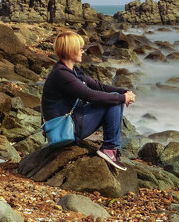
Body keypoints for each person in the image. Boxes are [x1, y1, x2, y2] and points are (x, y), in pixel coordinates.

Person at [41, 31, 135, 170]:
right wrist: (121, 98)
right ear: (70, 49)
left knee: (114, 97)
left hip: (71, 121)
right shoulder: (61, 75)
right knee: (114, 101)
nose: (83, 51)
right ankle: (110, 148)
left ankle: (110, 148)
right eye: (80, 48)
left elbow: (98, 86)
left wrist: (124, 92)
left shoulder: (73, 71)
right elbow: (90, 95)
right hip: (64, 129)